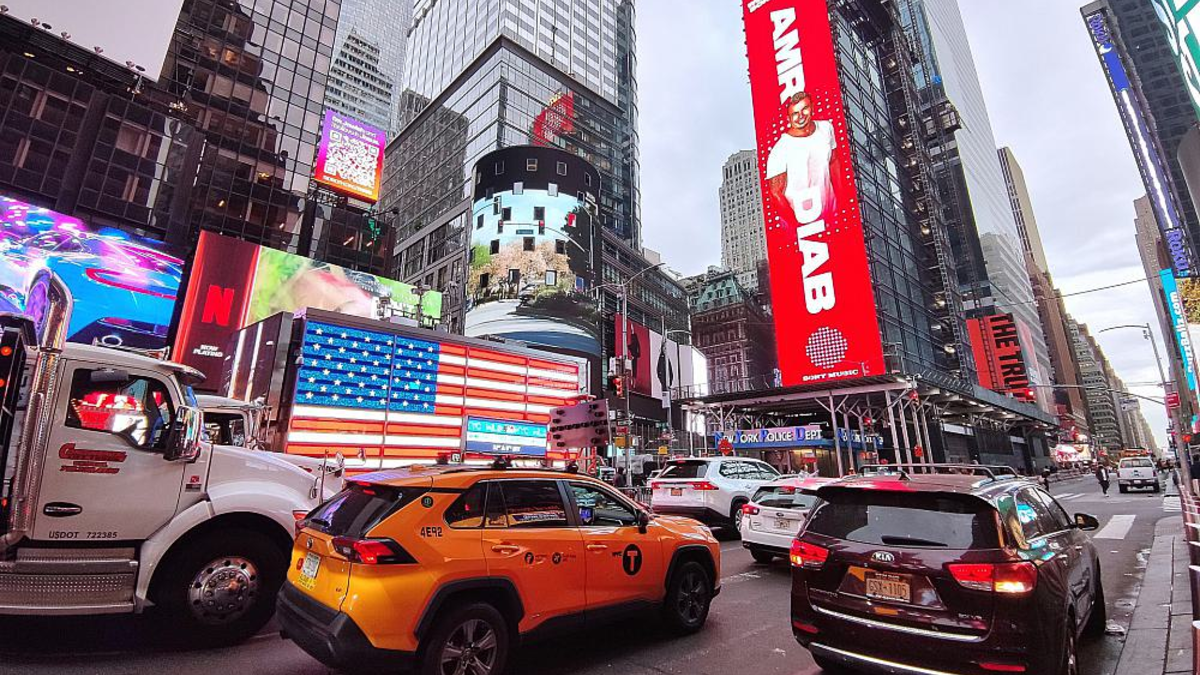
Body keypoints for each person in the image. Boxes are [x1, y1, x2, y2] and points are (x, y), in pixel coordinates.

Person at [766, 91, 841, 225]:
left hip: (832, 212)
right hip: (806, 224)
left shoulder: (826, 128)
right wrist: (797, 225)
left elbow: (833, 160)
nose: (800, 116)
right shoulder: (781, 149)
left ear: (812, 107)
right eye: (795, 113)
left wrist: (841, 197)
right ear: (789, 117)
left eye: (804, 109)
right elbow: (775, 193)